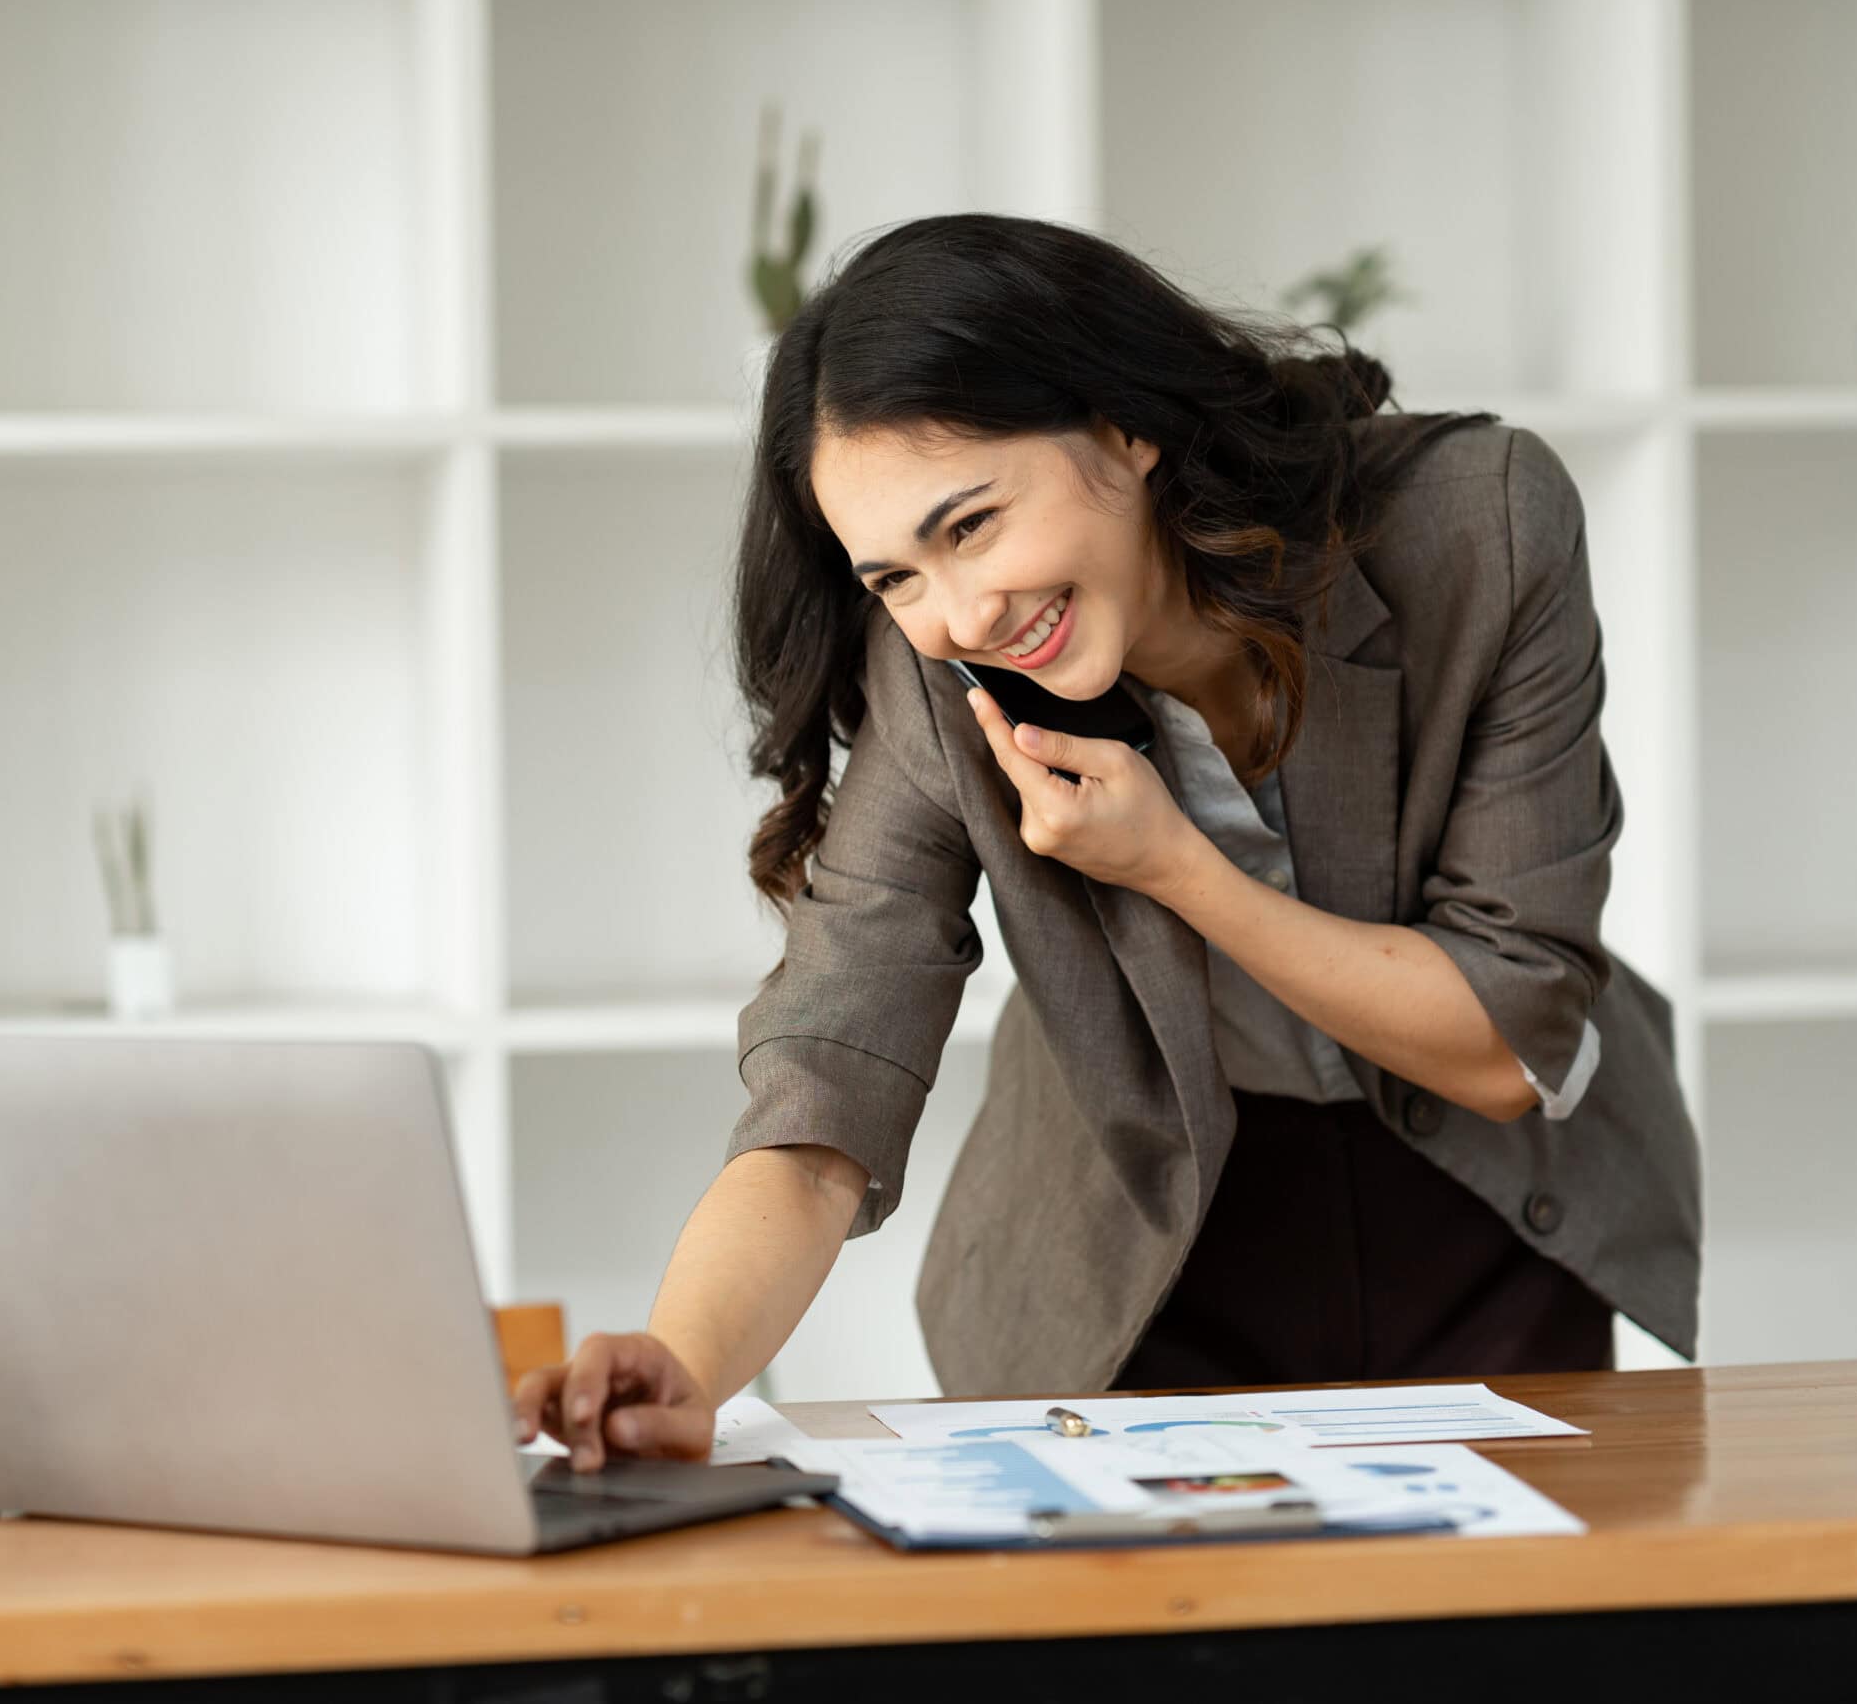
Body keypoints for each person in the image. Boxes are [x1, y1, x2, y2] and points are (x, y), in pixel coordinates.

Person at [514, 213, 1700, 1472]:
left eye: (968, 525)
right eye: (891, 577)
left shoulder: (1478, 525)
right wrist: (685, 1363)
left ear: (1126, 428)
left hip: (1490, 1210)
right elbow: (827, 1083)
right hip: (1153, 1233)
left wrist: (1173, 866)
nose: (957, 614)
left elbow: (1510, 1040)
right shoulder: (940, 679)